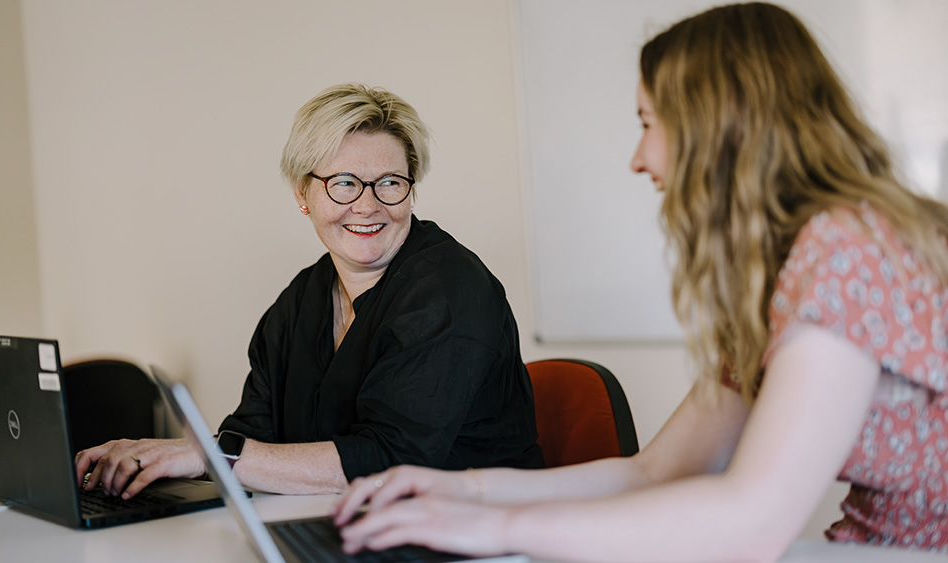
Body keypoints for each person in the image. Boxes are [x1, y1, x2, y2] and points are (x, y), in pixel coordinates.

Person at [333, 3, 948, 560]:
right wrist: (463, 491)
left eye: (649, 123)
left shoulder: (848, 251)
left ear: (719, 127)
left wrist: (496, 532)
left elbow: (753, 523)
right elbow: (656, 471)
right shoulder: (784, 273)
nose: (638, 157)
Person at [75, 83, 544, 498]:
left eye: (389, 183)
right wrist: (167, 463)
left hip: (470, 534)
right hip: (345, 529)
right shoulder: (300, 301)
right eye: (343, 183)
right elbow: (251, 434)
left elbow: (390, 461)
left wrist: (214, 455)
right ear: (303, 193)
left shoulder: (449, 290)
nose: (368, 204)